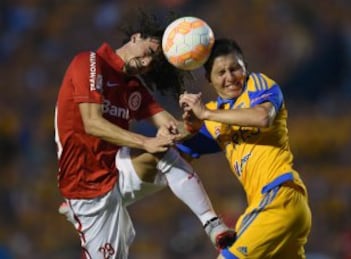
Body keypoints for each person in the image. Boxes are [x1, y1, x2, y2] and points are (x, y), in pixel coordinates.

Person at [54, 11, 235, 259]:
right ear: (136, 37)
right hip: (86, 187)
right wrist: (146, 141)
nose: (148, 63)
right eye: (149, 53)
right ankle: (76, 210)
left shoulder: (132, 87)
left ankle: (212, 223)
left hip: (115, 173)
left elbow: (170, 128)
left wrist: (191, 124)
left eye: (154, 63)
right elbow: (92, 123)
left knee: (167, 152)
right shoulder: (90, 62)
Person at [177, 38, 312, 258]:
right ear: (208, 79)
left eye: (235, 68)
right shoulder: (212, 119)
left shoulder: (258, 85)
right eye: (221, 73)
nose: (230, 77)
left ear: (245, 68)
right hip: (278, 209)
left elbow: (263, 117)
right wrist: (187, 127)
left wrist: (207, 114)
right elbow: (177, 157)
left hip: (279, 196)